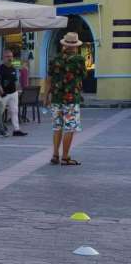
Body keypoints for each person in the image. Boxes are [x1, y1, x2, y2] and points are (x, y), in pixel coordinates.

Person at [44, 32, 86, 166]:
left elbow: (49, 79)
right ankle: (65, 157)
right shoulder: (78, 60)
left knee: (57, 127)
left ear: (64, 44)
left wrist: (45, 96)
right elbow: (83, 75)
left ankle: (55, 155)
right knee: (69, 127)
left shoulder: (55, 59)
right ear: (75, 46)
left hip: (56, 98)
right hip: (71, 99)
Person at [0, 50, 27, 136]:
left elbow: (16, 80)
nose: (10, 58)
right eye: (7, 56)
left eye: (11, 56)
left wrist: (18, 90)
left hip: (13, 93)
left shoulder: (14, 67)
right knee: (0, 111)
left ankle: (16, 129)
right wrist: (0, 90)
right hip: (4, 93)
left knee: (14, 111)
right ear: (3, 58)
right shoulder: (0, 69)